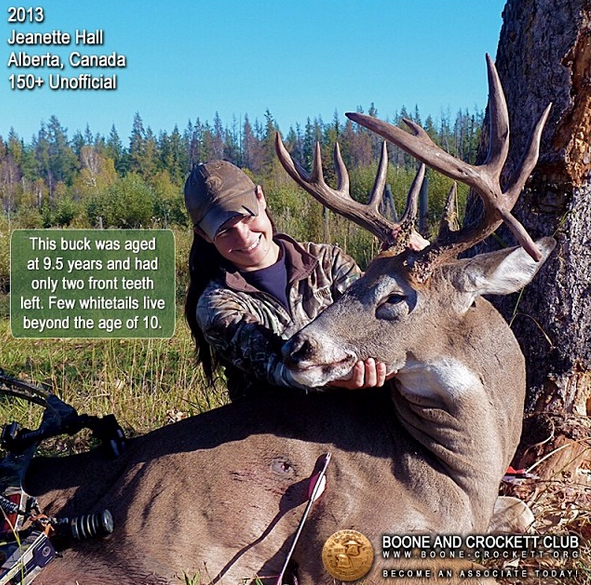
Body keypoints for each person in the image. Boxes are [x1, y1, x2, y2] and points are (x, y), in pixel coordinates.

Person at [184, 160, 395, 401]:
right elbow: (280, 369)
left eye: (247, 217)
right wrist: (342, 376)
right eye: (225, 231)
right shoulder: (216, 304)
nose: (244, 238)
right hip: (275, 427)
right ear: (204, 235)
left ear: (260, 197)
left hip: (360, 407)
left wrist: (404, 260)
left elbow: (381, 320)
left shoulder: (328, 262)